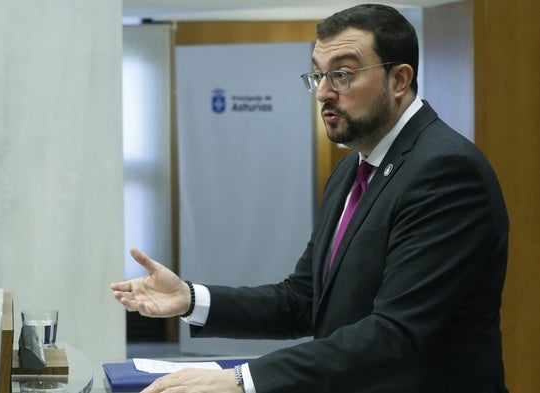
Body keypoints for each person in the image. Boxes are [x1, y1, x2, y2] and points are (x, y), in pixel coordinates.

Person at [111, 4, 509, 393]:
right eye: (317, 76)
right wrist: (190, 299)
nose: (322, 93)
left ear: (399, 80)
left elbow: (395, 332)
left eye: (341, 75)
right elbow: (302, 300)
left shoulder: (446, 171)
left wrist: (242, 380)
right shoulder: (350, 171)